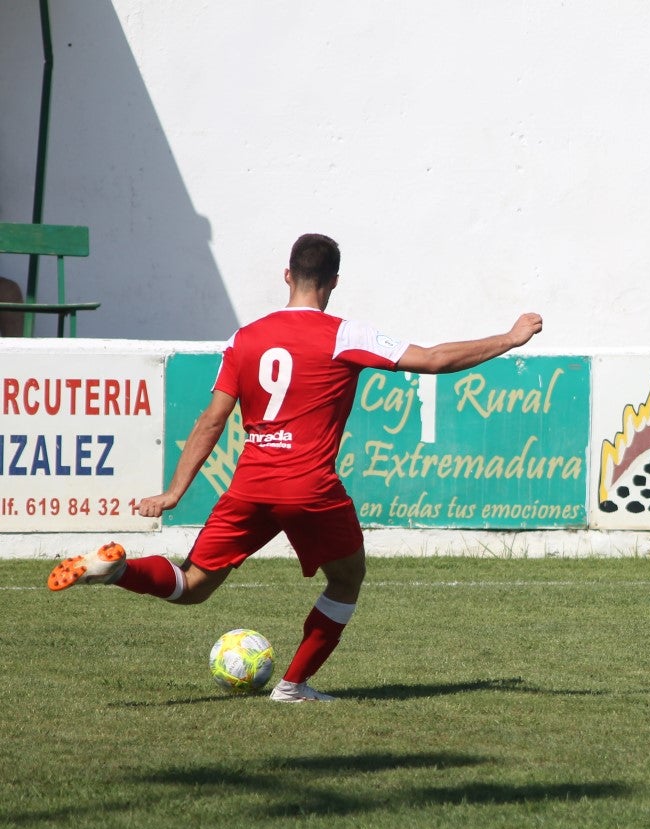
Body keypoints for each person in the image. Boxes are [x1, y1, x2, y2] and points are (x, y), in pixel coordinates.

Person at [48, 233, 543, 702]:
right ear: (332, 282)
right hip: (309, 486)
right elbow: (433, 359)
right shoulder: (344, 334)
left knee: (192, 585)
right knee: (347, 579)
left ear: (287, 275)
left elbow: (211, 420)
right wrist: (509, 338)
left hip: (251, 483)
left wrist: (174, 492)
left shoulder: (246, 338)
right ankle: (292, 685)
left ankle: (116, 571)